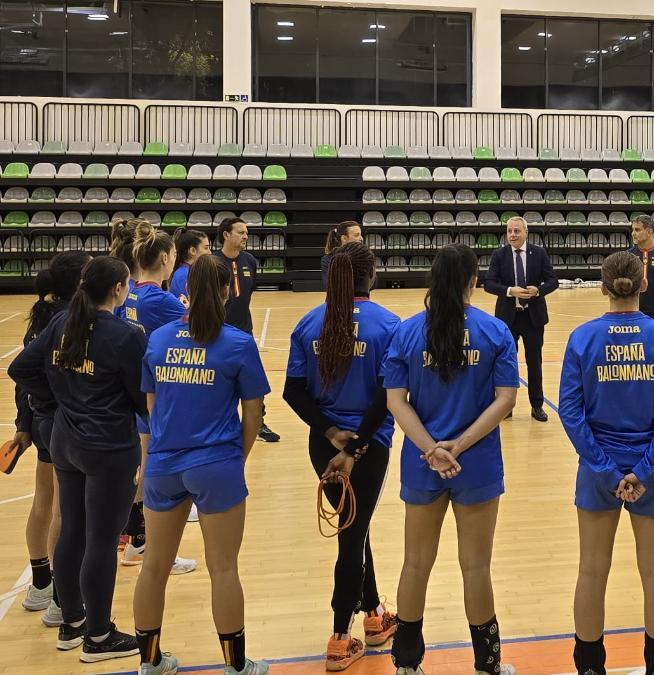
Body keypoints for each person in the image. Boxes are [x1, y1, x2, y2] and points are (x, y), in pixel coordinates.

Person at [382, 244, 519, 675]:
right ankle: (488, 665)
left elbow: (395, 402)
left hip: (422, 463)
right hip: (475, 462)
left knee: (415, 564)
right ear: (472, 282)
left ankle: (406, 664)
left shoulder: (405, 332)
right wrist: (457, 446)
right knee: (476, 566)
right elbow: (506, 400)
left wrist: (432, 448)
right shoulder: (495, 331)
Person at [133, 254, 270, 675]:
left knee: (154, 566)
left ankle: (151, 662)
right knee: (224, 567)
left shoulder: (157, 340)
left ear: (185, 290)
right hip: (217, 465)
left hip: (164, 465)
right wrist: (236, 458)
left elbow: (152, 407)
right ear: (227, 292)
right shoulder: (237, 343)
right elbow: (254, 415)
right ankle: (235, 666)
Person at [8, 256, 146, 662]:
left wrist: (56, 401)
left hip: (66, 442)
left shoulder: (61, 322)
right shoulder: (125, 335)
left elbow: (22, 368)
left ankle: (71, 624)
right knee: (101, 540)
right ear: (120, 289)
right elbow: (142, 398)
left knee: (72, 531)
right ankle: (99, 637)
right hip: (106, 448)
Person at [559, 251, 654, 675]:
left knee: (592, 572)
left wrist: (605, 470)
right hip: (653, 470)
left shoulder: (582, 339)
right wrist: (646, 470)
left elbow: (570, 413)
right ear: (644, 285)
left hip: (598, 470)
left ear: (602, 286)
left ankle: (590, 668)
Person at [284, 242, 401, 670]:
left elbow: (292, 390)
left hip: (324, 444)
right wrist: (355, 445)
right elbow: (390, 394)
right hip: (368, 446)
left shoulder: (308, 322)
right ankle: (339, 634)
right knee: (352, 536)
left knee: (357, 524)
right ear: (370, 277)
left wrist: (332, 433)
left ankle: (372, 616)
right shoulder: (388, 325)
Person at [12, 251, 89, 624]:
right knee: (63, 511)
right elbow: (27, 373)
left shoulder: (39, 320)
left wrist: (24, 422)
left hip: (43, 423)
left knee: (44, 503)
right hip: (63, 425)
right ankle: (62, 597)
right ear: (78, 285)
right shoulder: (67, 323)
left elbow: (22, 378)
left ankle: (40, 582)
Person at [118, 222, 198, 575]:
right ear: (166, 258)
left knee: (147, 461)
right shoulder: (162, 301)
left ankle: (135, 536)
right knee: (154, 468)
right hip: (160, 391)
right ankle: (148, 542)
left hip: (140, 388)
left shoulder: (133, 293)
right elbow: (200, 328)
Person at [483, 216, 558, 422]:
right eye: (509, 231)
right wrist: (509, 291)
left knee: (535, 363)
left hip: (533, 317)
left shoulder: (539, 253)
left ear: (526, 233)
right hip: (508, 318)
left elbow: (553, 281)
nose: (512, 235)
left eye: (516, 231)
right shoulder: (499, 254)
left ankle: (537, 405)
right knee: (507, 363)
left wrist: (538, 291)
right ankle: (505, 407)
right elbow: (488, 283)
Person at [214, 217, 280, 443]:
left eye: (246, 232)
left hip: (245, 332)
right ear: (226, 235)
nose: (245, 236)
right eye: (241, 232)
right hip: (219, 333)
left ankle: (258, 423)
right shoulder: (213, 262)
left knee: (254, 382)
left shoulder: (249, 260)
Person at [168, 229, 211, 307]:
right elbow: (183, 309)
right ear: (192, 250)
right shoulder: (183, 275)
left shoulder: (189, 271)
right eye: (206, 248)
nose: (210, 252)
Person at [321, 221, 364, 286]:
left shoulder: (364, 256)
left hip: (360, 296)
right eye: (356, 235)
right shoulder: (328, 259)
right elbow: (328, 284)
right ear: (344, 238)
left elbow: (373, 283)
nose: (361, 239)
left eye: (361, 235)